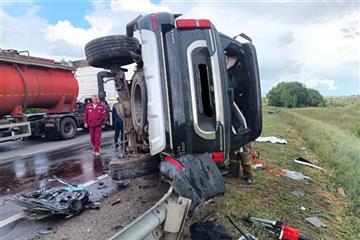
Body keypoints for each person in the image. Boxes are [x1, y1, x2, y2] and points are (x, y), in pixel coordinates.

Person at [225, 43, 252, 184]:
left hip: (241, 113)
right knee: (233, 143)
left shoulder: (239, 72)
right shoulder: (230, 69)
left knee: (244, 146)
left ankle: (248, 174)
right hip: (233, 112)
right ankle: (233, 171)